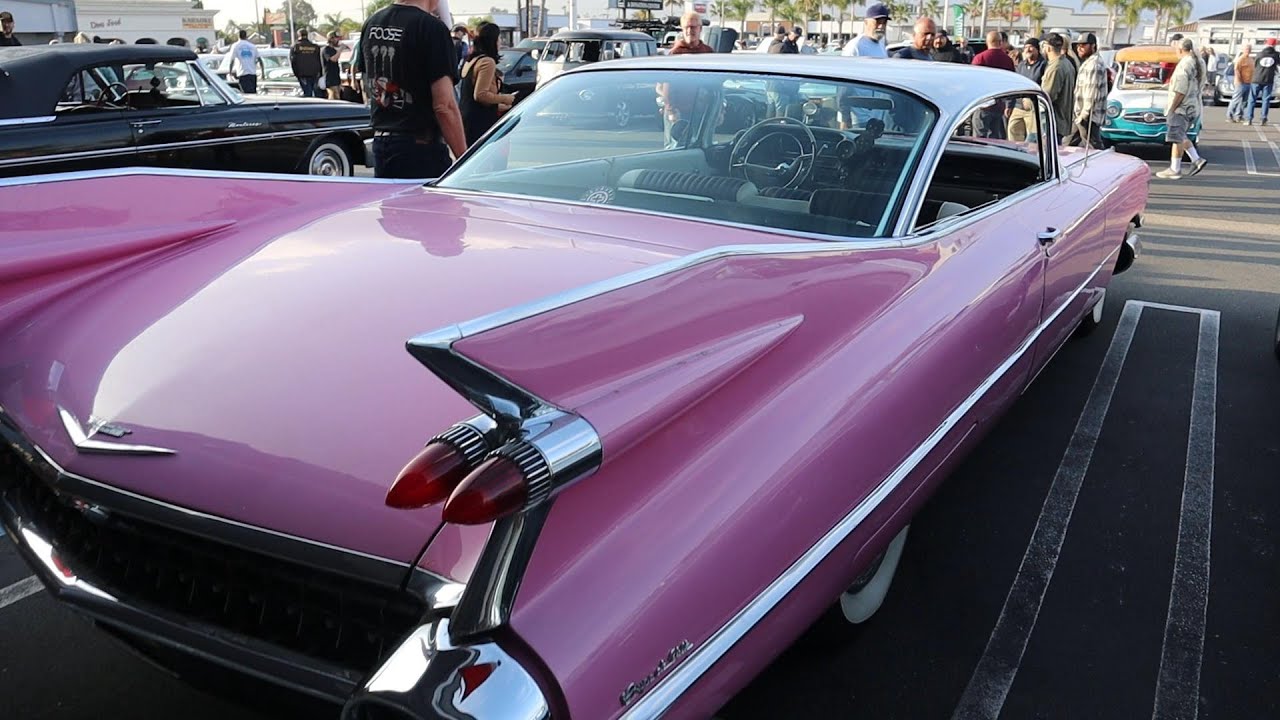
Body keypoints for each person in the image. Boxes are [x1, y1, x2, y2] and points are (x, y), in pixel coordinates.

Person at [360, 0, 467, 178]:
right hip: (420, 148)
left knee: (393, 204)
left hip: (381, 141)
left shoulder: (372, 22)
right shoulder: (432, 28)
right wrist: (465, 160)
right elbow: (444, 105)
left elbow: (367, 82)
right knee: (429, 206)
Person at [1157, 38, 1207, 179]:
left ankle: (1175, 168)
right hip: (1194, 104)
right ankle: (1196, 159)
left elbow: (1181, 90)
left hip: (1182, 107)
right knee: (1181, 134)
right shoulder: (1200, 61)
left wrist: (1172, 108)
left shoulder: (1184, 65)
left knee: (1176, 137)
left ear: (1180, 50)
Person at [458, 22, 515, 146]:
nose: (500, 41)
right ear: (492, 40)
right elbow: (480, 95)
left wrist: (497, 105)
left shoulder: (471, 60)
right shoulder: (487, 62)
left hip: (466, 118)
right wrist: (506, 98)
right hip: (480, 123)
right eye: (498, 38)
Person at [1067, 32, 1107, 148]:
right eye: (1078, 45)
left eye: (1084, 45)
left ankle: (1106, 164)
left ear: (1093, 46)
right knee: (1069, 144)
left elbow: (1092, 93)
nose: (1079, 48)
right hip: (1081, 113)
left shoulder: (1093, 64)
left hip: (1089, 116)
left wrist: (1083, 116)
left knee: (1094, 147)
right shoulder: (1089, 62)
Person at [1008, 38, 1046, 141]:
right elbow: (1015, 85)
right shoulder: (1021, 65)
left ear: (1037, 49)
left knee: (1033, 137)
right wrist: (1009, 105)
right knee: (1013, 130)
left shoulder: (1043, 65)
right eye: (1025, 47)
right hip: (1018, 106)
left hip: (1033, 108)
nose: (1027, 50)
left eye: (1031, 47)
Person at [1041, 33, 1076, 142]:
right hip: (1060, 120)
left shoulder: (1056, 67)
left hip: (1052, 121)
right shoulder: (1066, 63)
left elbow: (1048, 96)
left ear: (1048, 48)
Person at [1248, 37, 1279, 125]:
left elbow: (1256, 65)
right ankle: (1263, 118)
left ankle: (1249, 118)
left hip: (1256, 78)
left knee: (1252, 99)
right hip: (1268, 79)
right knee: (1266, 100)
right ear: (1274, 45)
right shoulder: (1275, 55)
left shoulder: (1260, 54)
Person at [289, 29, 323, 98]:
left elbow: (293, 61)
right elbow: (320, 60)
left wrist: (296, 74)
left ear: (299, 35)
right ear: (307, 35)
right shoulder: (315, 46)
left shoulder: (295, 47)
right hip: (314, 73)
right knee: (317, 93)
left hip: (302, 74)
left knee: (307, 93)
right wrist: (320, 73)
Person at [1227, 44, 1254, 123]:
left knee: (1244, 101)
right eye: (1246, 49)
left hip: (1249, 83)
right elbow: (1236, 70)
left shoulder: (1251, 59)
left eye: (1249, 49)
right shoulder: (1240, 59)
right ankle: (1230, 115)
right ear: (1243, 50)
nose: (1248, 50)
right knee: (1235, 100)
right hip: (1240, 83)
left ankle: (1239, 115)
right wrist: (1239, 80)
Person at [228, 30, 260, 94]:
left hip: (243, 73)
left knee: (246, 94)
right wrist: (263, 73)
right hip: (252, 73)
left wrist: (230, 72)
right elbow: (259, 60)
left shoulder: (235, 46)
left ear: (238, 36)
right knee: (253, 92)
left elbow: (232, 60)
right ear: (246, 36)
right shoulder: (252, 46)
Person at [322, 32, 343, 100]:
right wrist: (340, 50)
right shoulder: (326, 50)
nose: (338, 40)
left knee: (338, 95)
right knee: (333, 95)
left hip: (336, 77)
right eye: (336, 38)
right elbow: (333, 59)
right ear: (331, 39)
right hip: (330, 77)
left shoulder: (333, 50)